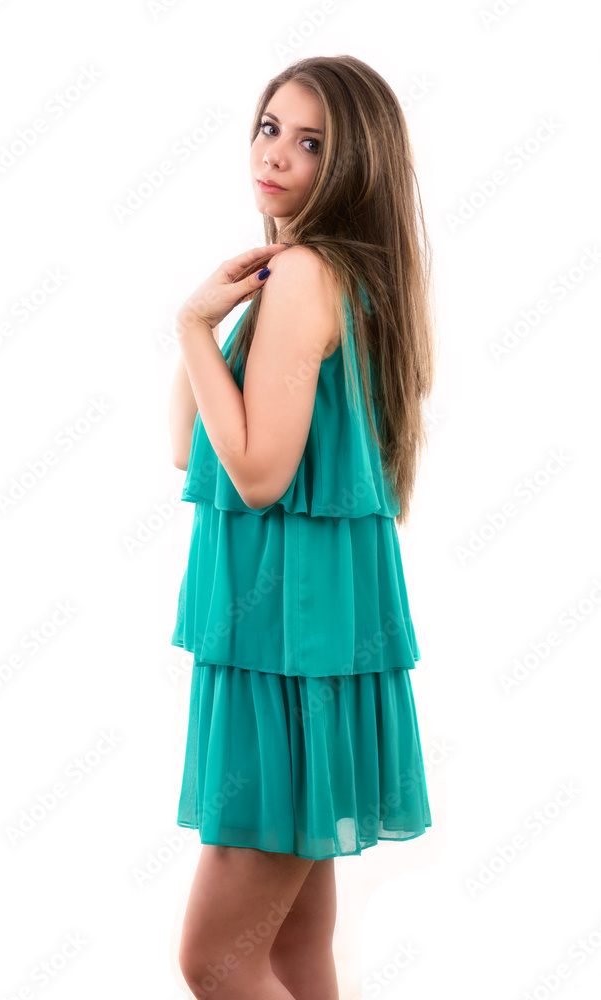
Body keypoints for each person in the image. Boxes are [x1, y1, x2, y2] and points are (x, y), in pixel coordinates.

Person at [168, 54, 437, 1000]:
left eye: (311, 141)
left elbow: (254, 476)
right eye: (269, 126)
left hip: (288, 644)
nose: (276, 152)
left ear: (353, 163)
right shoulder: (312, 274)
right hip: (292, 645)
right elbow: (186, 446)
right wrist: (211, 319)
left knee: (214, 959)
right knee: (289, 953)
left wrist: (193, 332)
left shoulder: (309, 276)